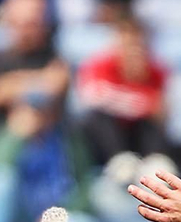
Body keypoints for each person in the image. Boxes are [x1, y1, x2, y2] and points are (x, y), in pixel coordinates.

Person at [0, 86, 96, 222]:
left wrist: (52, 221)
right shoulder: (8, 137)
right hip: (19, 218)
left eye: (43, 111)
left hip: (55, 220)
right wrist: (16, 137)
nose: (37, 117)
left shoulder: (69, 140)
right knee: (1, 178)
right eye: (31, 111)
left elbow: (85, 185)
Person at [74, 10, 174, 169]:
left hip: (137, 139)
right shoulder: (99, 64)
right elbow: (92, 98)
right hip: (105, 141)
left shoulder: (156, 71)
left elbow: (161, 111)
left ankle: (154, 161)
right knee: (98, 117)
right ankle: (119, 161)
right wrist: (139, 104)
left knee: (151, 124)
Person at [0, 0, 67, 131]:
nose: (24, 32)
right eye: (17, 24)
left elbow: (57, 85)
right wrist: (40, 80)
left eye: (31, 24)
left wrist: (13, 84)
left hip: (49, 131)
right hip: (4, 133)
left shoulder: (55, 54)